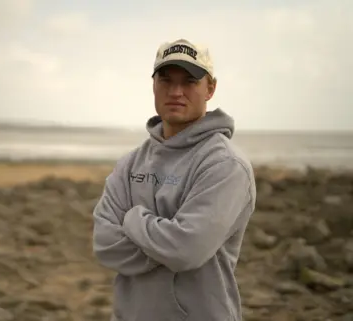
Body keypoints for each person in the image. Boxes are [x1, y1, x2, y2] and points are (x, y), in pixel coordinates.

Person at [92, 38, 257, 321]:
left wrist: (132, 221)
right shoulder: (131, 162)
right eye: (166, 80)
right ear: (153, 85)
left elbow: (186, 250)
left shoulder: (225, 164)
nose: (176, 91)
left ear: (210, 89)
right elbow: (105, 244)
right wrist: (164, 242)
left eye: (190, 81)